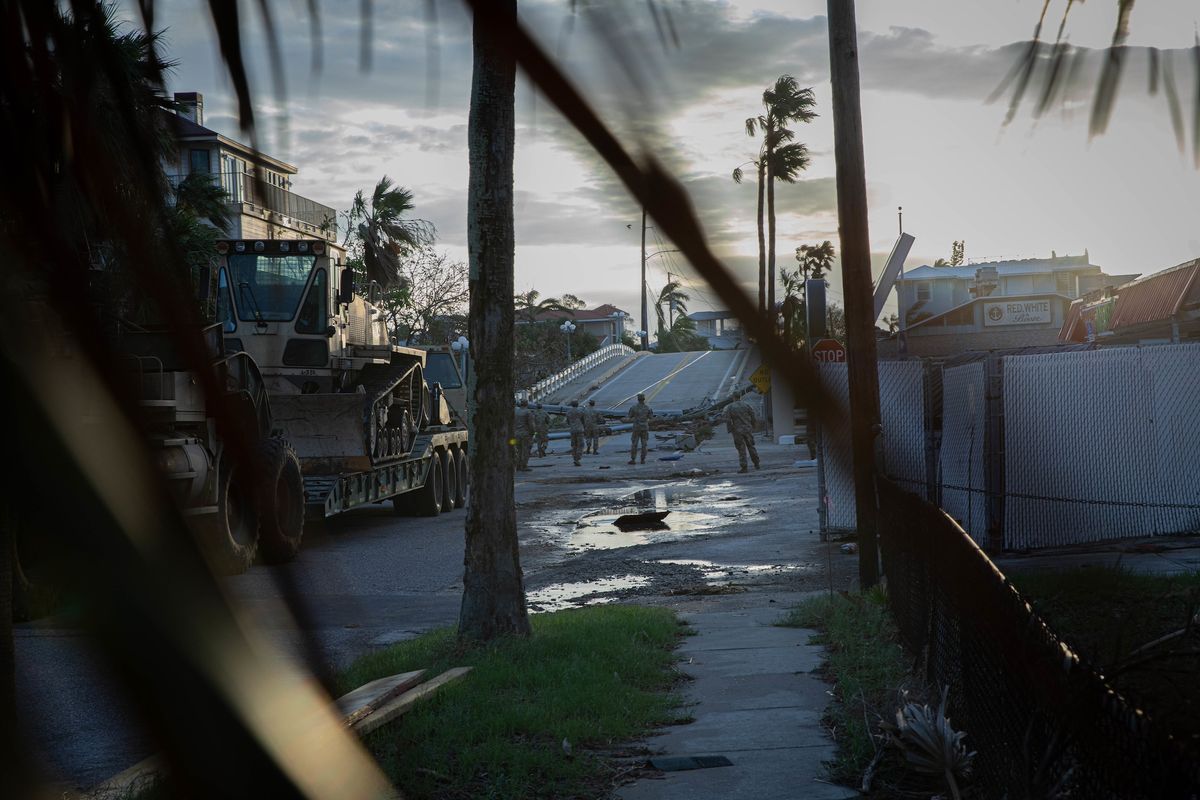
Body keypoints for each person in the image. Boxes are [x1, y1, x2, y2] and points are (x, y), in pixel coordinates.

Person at [724, 390, 761, 473]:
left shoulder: (730, 407)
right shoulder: (747, 405)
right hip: (747, 429)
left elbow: (728, 419)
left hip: (737, 430)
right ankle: (757, 463)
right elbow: (753, 416)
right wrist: (753, 426)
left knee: (741, 449)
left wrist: (730, 429)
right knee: (751, 446)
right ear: (740, 396)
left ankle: (744, 467)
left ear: (733, 397)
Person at [626, 393, 652, 465]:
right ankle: (643, 459)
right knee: (644, 444)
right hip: (644, 428)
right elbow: (651, 417)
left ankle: (633, 459)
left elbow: (629, 416)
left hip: (636, 428)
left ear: (638, 399)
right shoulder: (648, 408)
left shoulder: (634, 407)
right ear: (644, 399)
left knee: (634, 444)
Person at [514, 399, 534, 472]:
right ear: (527, 404)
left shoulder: (515, 411)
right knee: (525, 450)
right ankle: (524, 465)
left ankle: (518, 465)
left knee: (518, 450)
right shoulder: (528, 412)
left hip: (516, 434)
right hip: (525, 434)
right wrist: (532, 433)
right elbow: (531, 425)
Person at [565, 400, 586, 466]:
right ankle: (578, 458)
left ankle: (574, 458)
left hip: (572, 430)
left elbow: (568, 422)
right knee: (581, 445)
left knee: (574, 445)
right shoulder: (580, 412)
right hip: (579, 430)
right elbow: (583, 421)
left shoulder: (568, 412)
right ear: (577, 405)